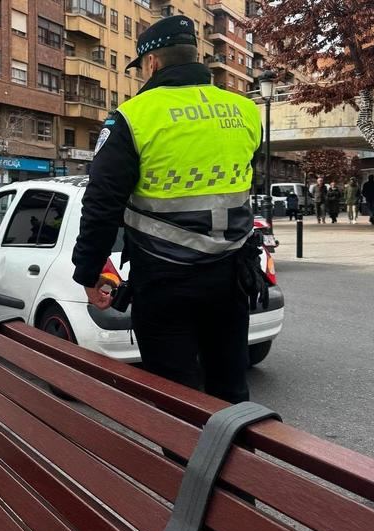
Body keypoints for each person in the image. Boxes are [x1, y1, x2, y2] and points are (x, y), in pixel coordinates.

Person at [72, 16, 267, 407]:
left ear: (152, 64)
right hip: (231, 276)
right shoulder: (245, 112)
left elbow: (101, 201)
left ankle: (183, 466)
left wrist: (88, 271)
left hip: (164, 278)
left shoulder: (134, 116)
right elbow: (245, 179)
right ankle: (235, 466)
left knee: (175, 399)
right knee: (230, 391)